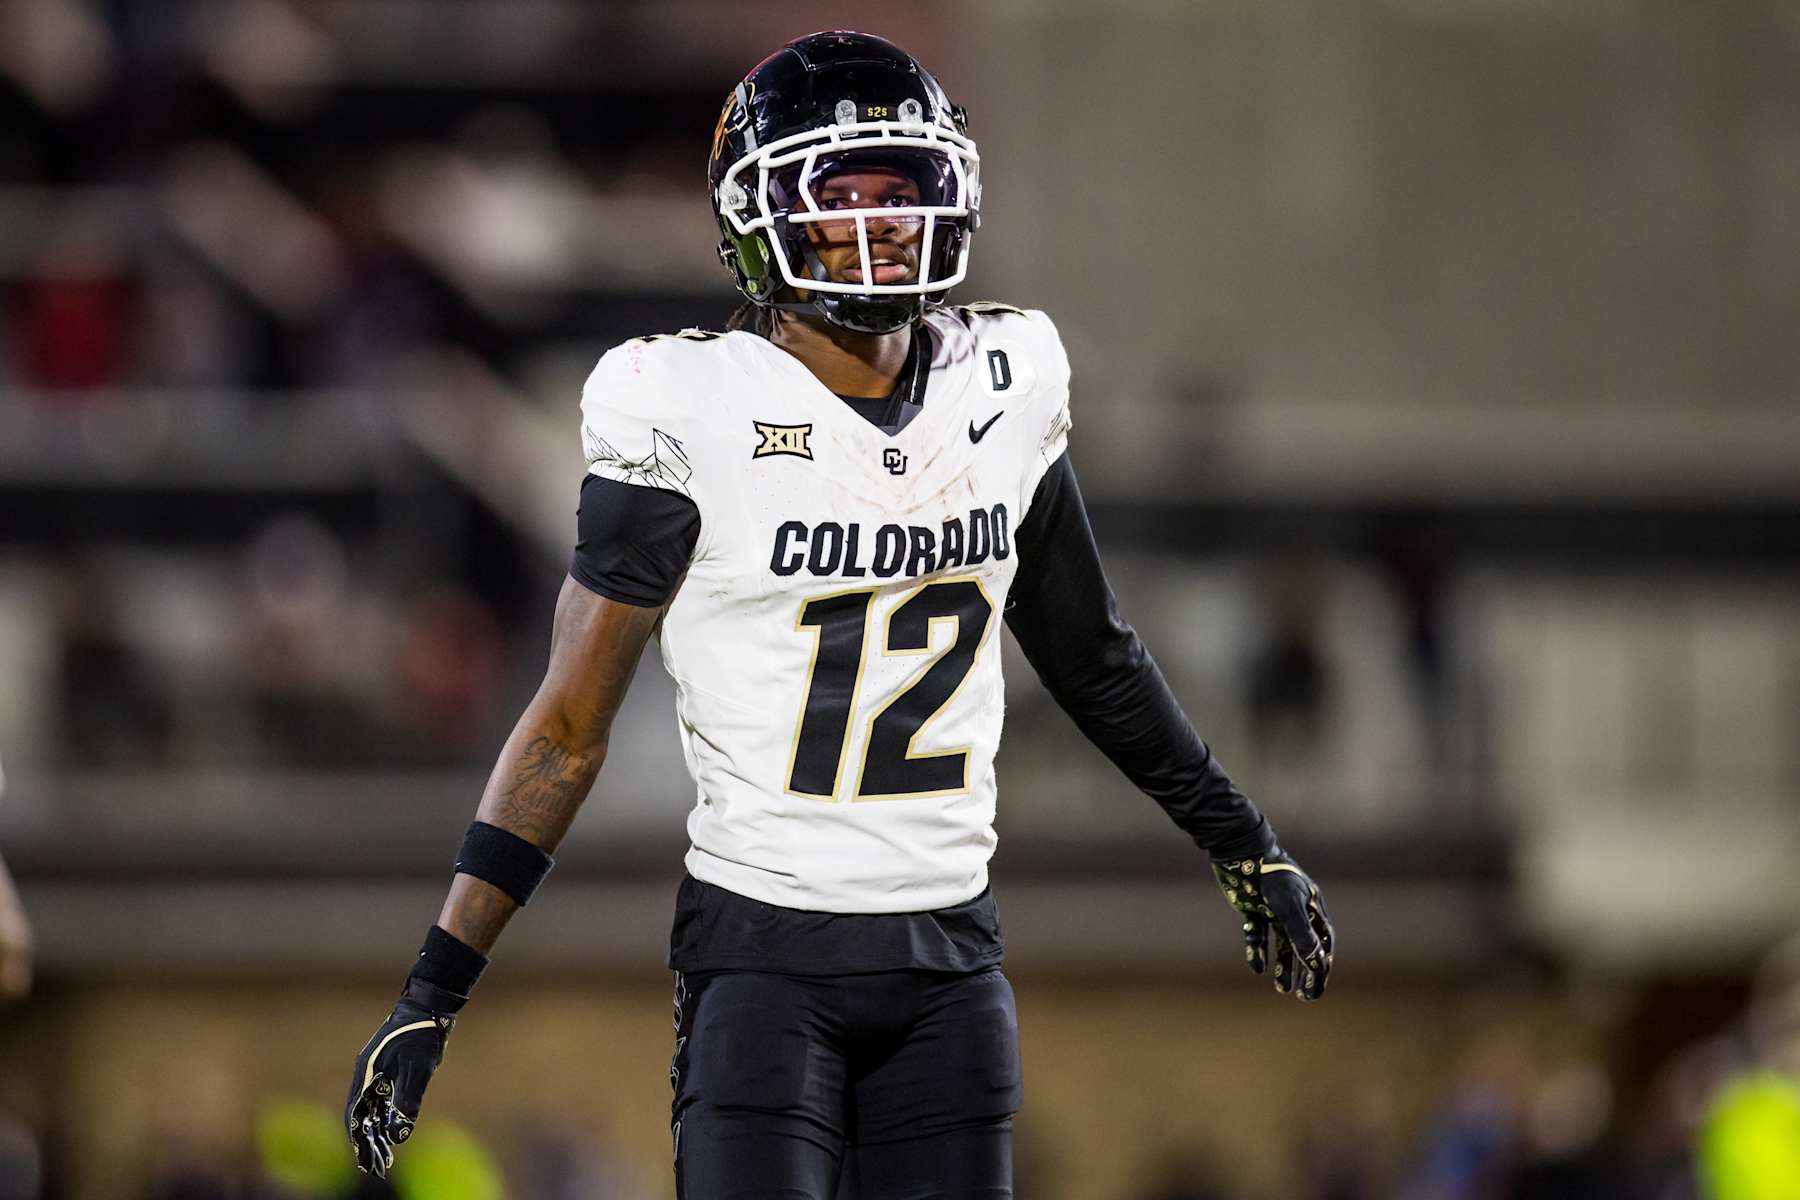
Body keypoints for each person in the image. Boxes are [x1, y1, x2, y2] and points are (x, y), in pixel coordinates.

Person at [345, 30, 1335, 1199]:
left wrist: (1239, 838)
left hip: (952, 956)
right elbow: (567, 726)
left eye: (899, 189)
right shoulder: (690, 405)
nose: (876, 222)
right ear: (756, 215)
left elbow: (1089, 653)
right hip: (764, 956)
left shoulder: (1004, 381)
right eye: (837, 192)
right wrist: (435, 990)